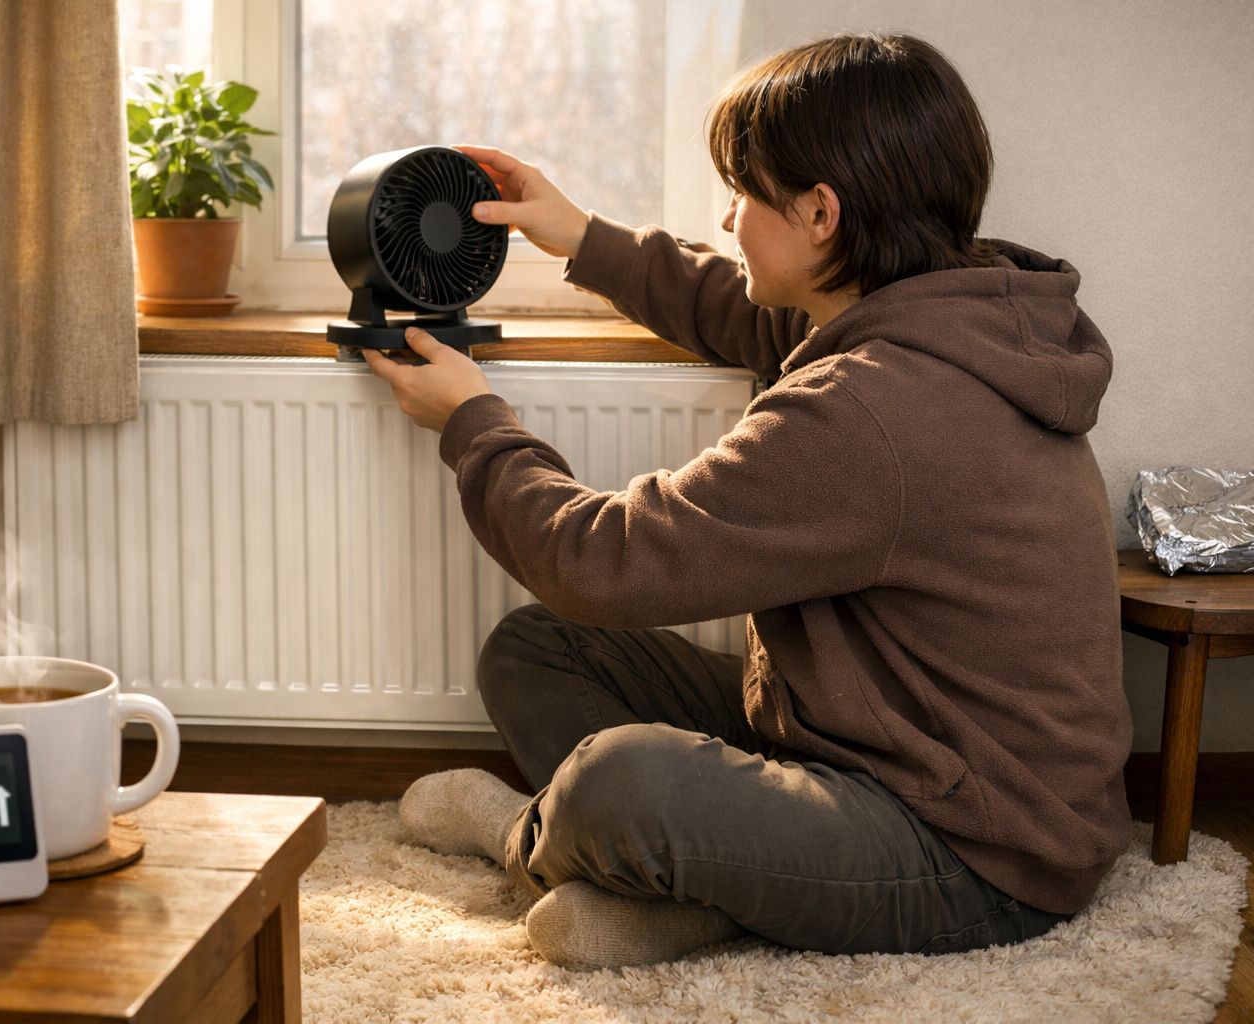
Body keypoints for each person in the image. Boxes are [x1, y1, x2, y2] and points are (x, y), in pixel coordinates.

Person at [362, 32, 1131, 970]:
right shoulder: (944, 313)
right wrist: (577, 234)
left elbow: (602, 562)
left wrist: (473, 421)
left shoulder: (872, 408)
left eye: (741, 194)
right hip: (867, 742)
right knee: (537, 651)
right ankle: (714, 894)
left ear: (819, 212)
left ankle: (523, 837)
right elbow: (743, 308)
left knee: (618, 779)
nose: (726, 221)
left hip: (974, 848)